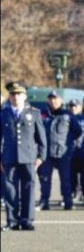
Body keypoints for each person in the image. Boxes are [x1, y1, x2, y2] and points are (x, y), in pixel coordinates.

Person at [0, 82, 47, 231]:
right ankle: (12, 221)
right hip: (9, 158)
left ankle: (27, 220)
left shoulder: (34, 113)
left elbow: (41, 138)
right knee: (10, 190)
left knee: (29, 189)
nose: (16, 97)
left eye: (19, 94)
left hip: (29, 158)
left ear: (25, 96)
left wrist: (41, 157)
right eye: (13, 94)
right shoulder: (3, 113)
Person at [37, 91, 83, 210]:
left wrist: (67, 143)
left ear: (61, 100)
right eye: (51, 99)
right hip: (46, 152)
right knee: (45, 179)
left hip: (63, 152)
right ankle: (44, 202)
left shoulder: (68, 115)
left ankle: (68, 202)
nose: (53, 101)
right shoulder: (42, 114)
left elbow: (78, 131)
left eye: (55, 98)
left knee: (65, 178)